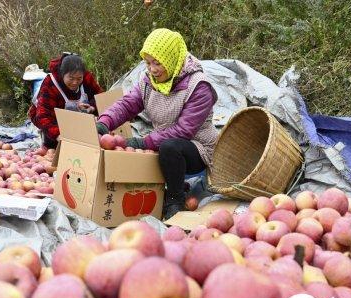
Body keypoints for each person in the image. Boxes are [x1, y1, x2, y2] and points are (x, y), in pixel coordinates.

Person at [96, 28, 218, 220]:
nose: (152, 69)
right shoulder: (149, 82)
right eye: (148, 63)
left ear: (171, 58)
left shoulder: (199, 87)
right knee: (164, 148)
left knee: (170, 148)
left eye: (157, 63)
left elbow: (184, 130)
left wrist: (143, 143)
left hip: (197, 148)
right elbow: (128, 105)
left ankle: (175, 199)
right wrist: (104, 122)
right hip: (162, 143)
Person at [29, 53, 103, 149]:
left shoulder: (86, 77)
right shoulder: (50, 84)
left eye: (79, 78)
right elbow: (43, 117)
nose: (75, 82)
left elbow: (100, 96)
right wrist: (58, 136)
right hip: (53, 123)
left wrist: (92, 107)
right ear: (62, 73)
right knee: (54, 149)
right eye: (71, 78)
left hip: (79, 123)